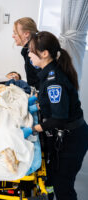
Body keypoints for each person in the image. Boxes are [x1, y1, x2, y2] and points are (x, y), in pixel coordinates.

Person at [28, 31, 88, 200]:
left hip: (71, 140)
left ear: (44, 53)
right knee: (51, 179)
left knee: (63, 186)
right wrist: (37, 103)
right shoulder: (49, 73)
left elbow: (59, 118)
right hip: (63, 136)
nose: (29, 54)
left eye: (32, 51)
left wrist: (33, 129)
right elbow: (51, 103)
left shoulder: (54, 80)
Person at [12, 17, 41, 90]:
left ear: (26, 34)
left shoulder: (33, 53)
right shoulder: (29, 50)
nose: (13, 36)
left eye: (15, 33)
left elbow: (42, 81)